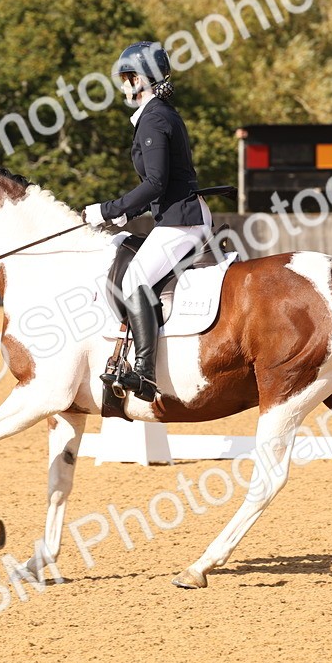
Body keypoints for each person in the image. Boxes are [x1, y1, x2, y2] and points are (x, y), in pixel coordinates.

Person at [82, 42, 212, 402]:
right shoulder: (159, 114)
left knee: (135, 280)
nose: (123, 85)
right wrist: (129, 211)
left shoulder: (154, 117)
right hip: (175, 214)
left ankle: (145, 373)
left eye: (127, 77)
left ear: (143, 79)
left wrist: (107, 209)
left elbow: (154, 182)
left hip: (181, 221)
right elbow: (163, 183)